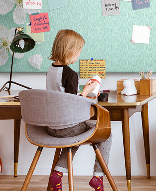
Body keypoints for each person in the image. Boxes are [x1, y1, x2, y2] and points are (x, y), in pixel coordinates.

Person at [46, 29, 112, 191]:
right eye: (78, 52)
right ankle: (98, 177)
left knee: (75, 135)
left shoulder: (51, 70)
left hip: (51, 127)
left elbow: (62, 96)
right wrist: (85, 93)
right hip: (66, 127)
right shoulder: (70, 74)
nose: (78, 56)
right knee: (106, 134)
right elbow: (73, 105)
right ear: (70, 51)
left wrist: (80, 94)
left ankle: (58, 173)